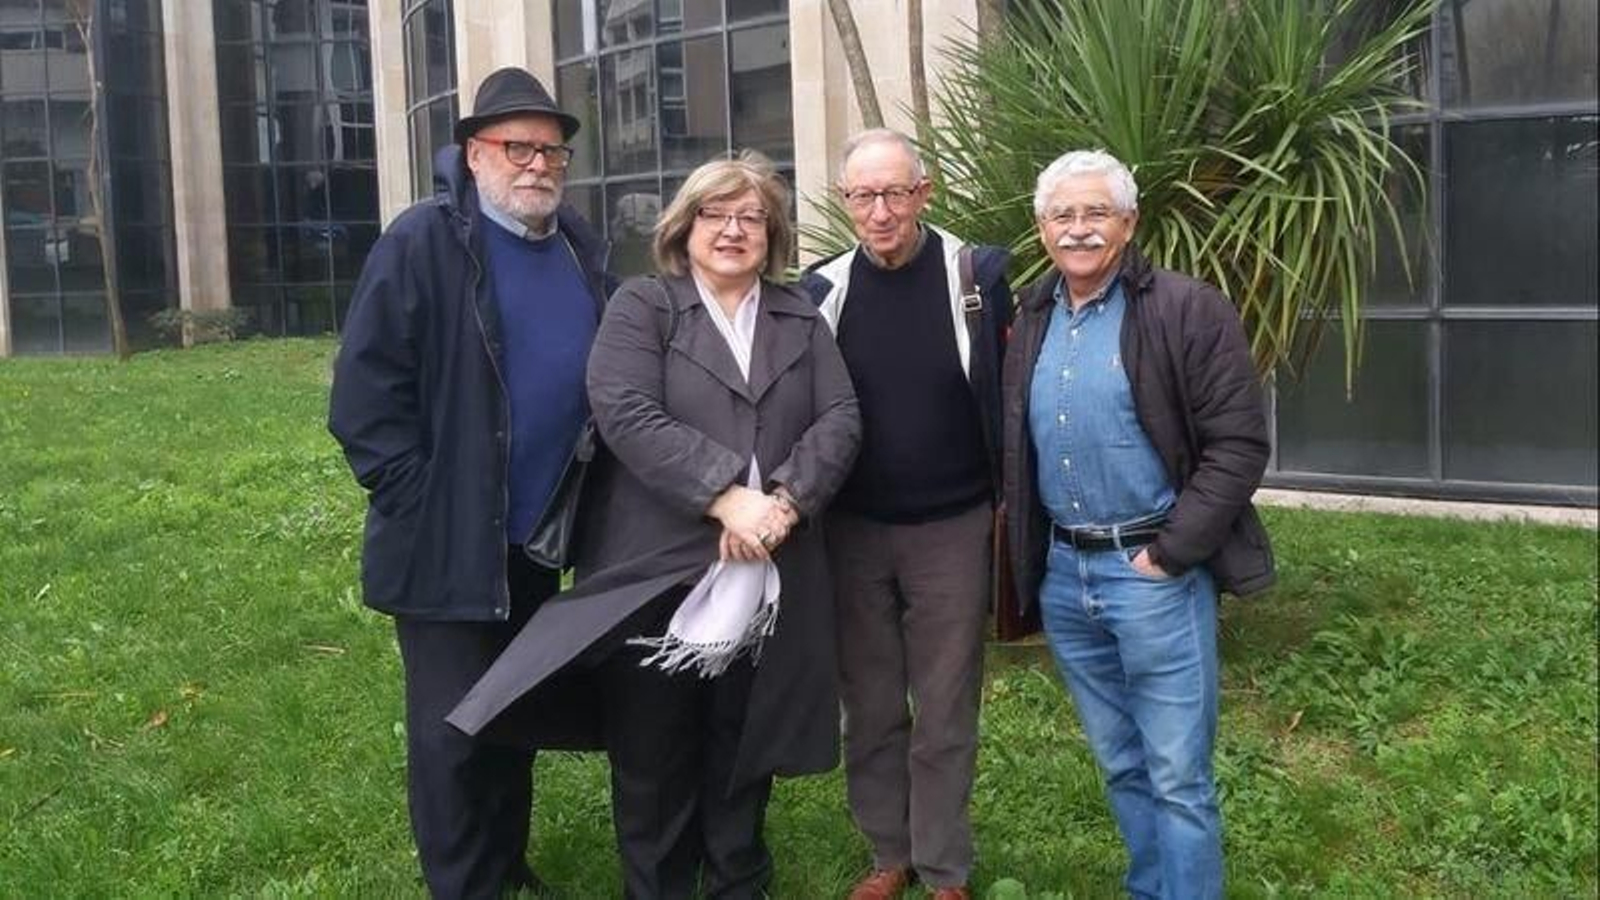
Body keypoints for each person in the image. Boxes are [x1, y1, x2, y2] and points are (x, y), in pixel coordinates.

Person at [327, 67, 612, 899]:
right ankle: (463, 882)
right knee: (452, 729)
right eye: (517, 147)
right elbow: (365, 396)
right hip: (446, 538)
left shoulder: (577, 248)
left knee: (514, 710)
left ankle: (503, 860)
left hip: (540, 538)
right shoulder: (422, 242)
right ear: (473, 153)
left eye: (551, 151)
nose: (537, 165)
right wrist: (418, 498)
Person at [1001, 150, 1276, 900]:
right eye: (1063, 214)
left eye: (1096, 213)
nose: (1079, 229)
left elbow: (1239, 444)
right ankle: (1151, 888)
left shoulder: (1186, 307)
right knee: (1121, 761)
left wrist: (1171, 553)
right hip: (1065, 576)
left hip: (1153, 573)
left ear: (1129, 223)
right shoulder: (1031, 314)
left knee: (1177, 775)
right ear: (1041, 227)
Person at [799, 128, 1011, 900]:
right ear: (846, 201)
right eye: (863, 195)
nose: (880, 211)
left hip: (952, 525)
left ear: (925, 193)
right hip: (851, 529)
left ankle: (945, 865)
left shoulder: (977, 275)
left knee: (947, 703)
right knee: (874, 703)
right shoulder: (820, 290)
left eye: (895, 193)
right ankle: (891, 853)